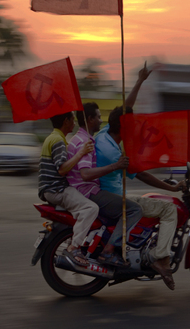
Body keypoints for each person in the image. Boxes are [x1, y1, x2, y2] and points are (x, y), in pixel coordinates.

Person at [66, 64, 151, 270]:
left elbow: (123, 112)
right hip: (89, 192)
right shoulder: (92, 143)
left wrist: (139, 81)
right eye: (97, 116)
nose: (101, 119)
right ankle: (108, 251)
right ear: (90, 120)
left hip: (89, 190)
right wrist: (117, 165)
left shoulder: (99, 135)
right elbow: (86, 174)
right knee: (134, 210)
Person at [95, 106, 185, 290]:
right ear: (123, 127)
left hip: (113, 193)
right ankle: (161, 258)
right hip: (114, 197)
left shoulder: (105, 134)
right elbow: (142, 175)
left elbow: (122, 109)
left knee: (147, 202)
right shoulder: (114, 153)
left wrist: (139, 81)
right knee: (169, 209)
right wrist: (172, 188)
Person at [38, 112, 99, 267]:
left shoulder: (52, 138)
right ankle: (75, 247)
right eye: (72, 119)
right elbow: (62, 170)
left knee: (82, 208)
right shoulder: (58, 140)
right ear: (66, 121)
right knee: (90, 208)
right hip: (57, 189)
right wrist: (81, 153)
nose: (74, 122)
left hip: (49, 189)